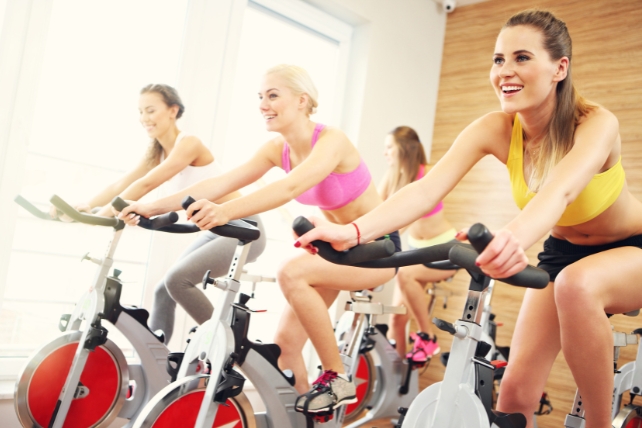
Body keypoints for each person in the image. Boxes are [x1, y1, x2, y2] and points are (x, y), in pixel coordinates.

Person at [294, 10, 642, 428]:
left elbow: (561, 190)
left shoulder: (596, 123)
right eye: (498, 60)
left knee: (575, 284)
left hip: (630, 248)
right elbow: (425, 189)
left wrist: (510, 239)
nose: (505, 72)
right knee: (513, 398)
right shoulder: (496, 128)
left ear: (559, 68)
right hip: (563, 253)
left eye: (521, 58)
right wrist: (353, 231)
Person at [118, 64, 400, 414]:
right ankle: (303, 422)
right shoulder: (276, 149)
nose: (263, 104)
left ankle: (337, 377)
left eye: (273, 95)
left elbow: (291, 186)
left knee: (292, 272)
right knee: (284, 349)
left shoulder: (332, 140)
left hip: (376, 250)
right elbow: (221, 184)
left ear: (302, 100)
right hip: (335, 252)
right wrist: (148, 206)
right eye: (260, 96)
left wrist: (225, 212)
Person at [55, 83, 266, 344]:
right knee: (163, 290)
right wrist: (87, 208)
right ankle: (156, 367)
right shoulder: (157, 153)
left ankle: (228, 346)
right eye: (141, 112)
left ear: (172, 110)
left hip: (243, 228)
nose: (145, 118)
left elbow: (145, 185)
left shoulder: (189, 143)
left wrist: (106, 215)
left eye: (151, 110)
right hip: (215, 229)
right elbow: (121, 185)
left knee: (178, 280)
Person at [380, 126, 457, 362]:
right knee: (396, 319)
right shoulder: (394, 177)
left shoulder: (427, 176)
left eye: (389, 147)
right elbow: (376, 209)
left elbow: (404, 218)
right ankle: (399, 378)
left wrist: (382, 242)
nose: (386, 153)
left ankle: (428, 336)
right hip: (416, 251)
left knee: (404, 275)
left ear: (404, 149)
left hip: (443, 250)